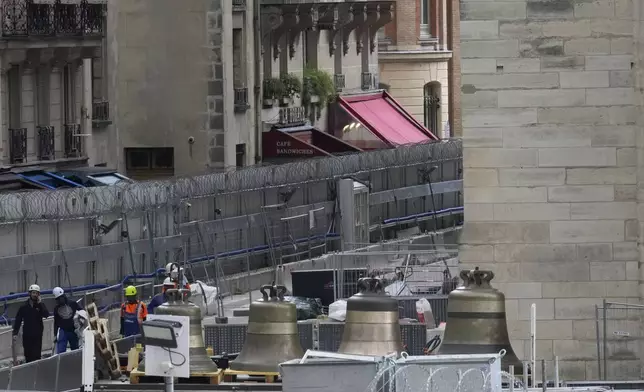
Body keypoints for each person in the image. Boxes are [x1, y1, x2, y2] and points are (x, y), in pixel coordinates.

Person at [12, 284, 49, 363]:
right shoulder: (24, 306)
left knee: (36, 354)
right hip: (27, 334)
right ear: (30, 293)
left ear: (38, 294)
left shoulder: (40, 305)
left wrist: (40, 304)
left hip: (37, 335)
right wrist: (15, 332)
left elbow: (46, 315)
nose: (35, 295)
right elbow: (18, 319)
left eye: (36, 293)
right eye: (33, 293)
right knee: (28, 354)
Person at [52, 287, 83, 354]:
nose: (59, 301)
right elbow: (56, 322)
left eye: (60, 298)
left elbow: (82, 312)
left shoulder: (73, 303)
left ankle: (75, 362)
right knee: (60, 351)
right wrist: (55, 335)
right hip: (63, 331)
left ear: (63, 296)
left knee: (75, 350)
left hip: (73, 330)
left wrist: (80, 322)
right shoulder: (56, 308)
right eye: (57, 299)